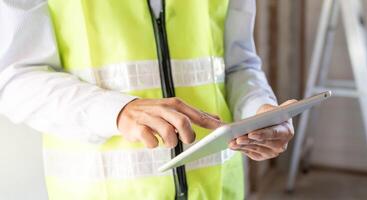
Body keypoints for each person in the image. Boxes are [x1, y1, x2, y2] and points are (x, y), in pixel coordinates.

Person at [0, 0, 295, 199]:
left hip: (217, 190)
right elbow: (15, 78)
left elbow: (237, 65)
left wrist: (259, 109)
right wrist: (117, 111)